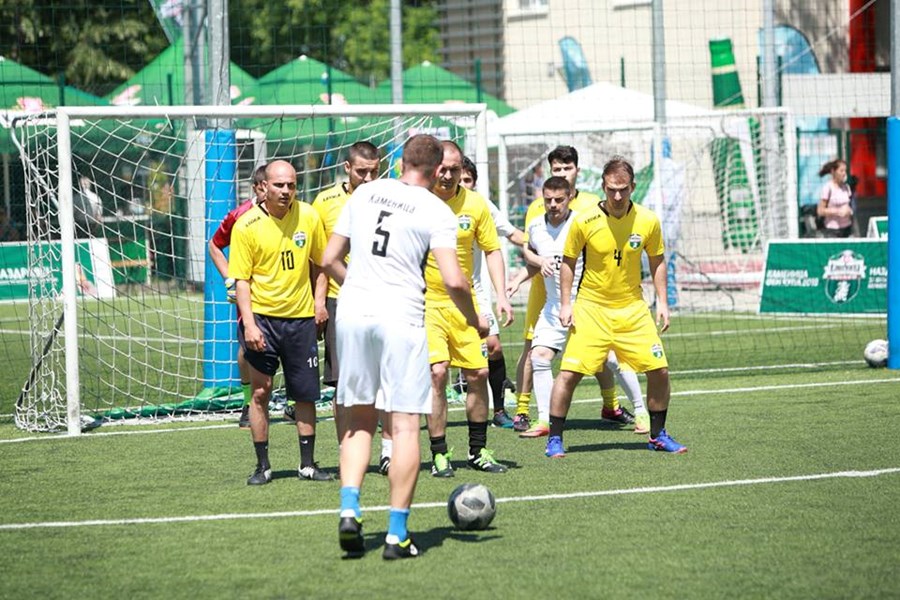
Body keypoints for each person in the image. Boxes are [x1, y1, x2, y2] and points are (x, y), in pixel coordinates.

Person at [322, 134, 488, 560]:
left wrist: (360, 287)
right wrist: (475, 319)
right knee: (404, 427)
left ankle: (349, 510)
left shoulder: (365, 193)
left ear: (399, 162)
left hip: (352, 314)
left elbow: (327, 258)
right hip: (401, 317)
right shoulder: (436, 209)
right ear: (436, 171)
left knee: (359, 420)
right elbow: (454, 280)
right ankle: (396, 535)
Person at [544, 156, 686, 458]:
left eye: (623, 189)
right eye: (611, 189)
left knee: (660, 370)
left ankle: (658, 435)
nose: (617, 196)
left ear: (633, 186)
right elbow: (568, 262)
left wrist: (662, 301)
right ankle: (554, 438)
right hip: (591, 308)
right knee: (569, 373)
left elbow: (657, 260)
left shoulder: (648, 220)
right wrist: (567, 304)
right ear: (603, 187)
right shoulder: (584, 220)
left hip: (633, 309)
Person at [511, 146, 641, 434]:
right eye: (556, 169)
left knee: (608, 358)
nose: (553, 204)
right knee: (535, 354)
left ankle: (637, 410)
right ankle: (537, 416)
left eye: (566, 169)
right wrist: (522, 274)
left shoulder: (588, 214)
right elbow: (532, 251)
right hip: (549, 299)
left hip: (586, 301)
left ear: (572, 187)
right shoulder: (536, 218)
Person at [229, 160, 333, 485]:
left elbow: (321, 264)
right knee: (261, 392)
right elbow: (242, 281)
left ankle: (307, 465)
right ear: (264, 187)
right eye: (279, 185)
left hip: (301, 321)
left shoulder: (309, 216)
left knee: (305, 395)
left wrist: (319, 303)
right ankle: (262, 466)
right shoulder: (246, 225)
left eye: (291, 185)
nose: (286, 191)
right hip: (263, 320)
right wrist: (249, 324)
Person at [425, 140, 513, 477]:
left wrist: (501, 295)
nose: (448, 176)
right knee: (437, 373)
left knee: (479, 374)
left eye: (455, 169)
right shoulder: (419, 201)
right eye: (443, 169)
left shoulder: (476, 204)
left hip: (465, 304)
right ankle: (439, 453)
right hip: (427, 303)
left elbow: (492, 250)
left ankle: (477, 451)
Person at [311, 141, 394, 474]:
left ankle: (388, 452)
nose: (369, 178)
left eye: (375, 171)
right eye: (362, 172)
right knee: (343, 383)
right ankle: (347, 451)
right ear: (347, 168)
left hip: (385, 300)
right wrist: (319, 302)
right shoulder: (325, 203)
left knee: (386, 378)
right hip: (341, 301)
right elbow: (320, 259)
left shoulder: (390, 198)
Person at [459, 156, 524, 429]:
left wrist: (543, 245)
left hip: (474, 291)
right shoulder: (433, 203)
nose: (461, 183)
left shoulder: (481, 205)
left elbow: (511, 234)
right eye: (458, 178)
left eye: (467, 179)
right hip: (435, 293)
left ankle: (498, 410)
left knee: (493, 346)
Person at [208, 165, 267, 428]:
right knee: (247, 346)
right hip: (249, 291)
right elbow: (214, 245)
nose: (269, 193)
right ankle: (247, 402)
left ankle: (292, 401)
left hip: (283, 289)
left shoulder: (292, 211)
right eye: (264, 187)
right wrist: (230, 279)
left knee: (290, 345)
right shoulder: (239, 215)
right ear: (256, 188)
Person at [817, 158, 853, 238]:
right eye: (841, 171)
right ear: (833, 171)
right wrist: (837, 211)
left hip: (847, 228)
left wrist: (849, 211)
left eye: (845, 171)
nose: (844, 173)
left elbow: (850, 206)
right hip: (832, 231)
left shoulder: (846, 187)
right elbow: (820, 211)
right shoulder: (828, 188)